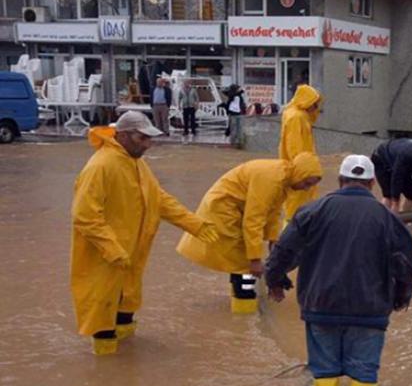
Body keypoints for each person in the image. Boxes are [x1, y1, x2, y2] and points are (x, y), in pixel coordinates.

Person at [265, 155, 412, 386]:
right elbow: (407, 266)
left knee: (324, 369)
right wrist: (401, 298)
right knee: (364, 371)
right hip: (370, 310)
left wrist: (275, 281)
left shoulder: (312, 211)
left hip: (321, 306)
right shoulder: (389, 218)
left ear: (339, 180)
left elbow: (283, 252)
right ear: (372, 183)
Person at [71, 112, 219, 356]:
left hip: (131, 255)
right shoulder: (100, 166)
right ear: (123, 135)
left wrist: (195, 225)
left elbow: (158, 199)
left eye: (149, 138)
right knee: (103, 317)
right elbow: (84, 216)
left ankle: (127, 366)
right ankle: (106, 368)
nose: (148, 144)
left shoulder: (137, 163)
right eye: (142, 138)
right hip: (105, 258)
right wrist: (112, 250)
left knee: (126, 308)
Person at [175, 153, 323, 314]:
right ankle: (244, 314)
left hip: (234, 208)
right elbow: (253, 220)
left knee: (241, 261)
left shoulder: (283, 178)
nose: (306, 188)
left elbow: (273, 211)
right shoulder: (271, 180)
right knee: (244, 265)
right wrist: (254, 259)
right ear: (300, 173)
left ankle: (240, 301)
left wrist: (273, 239)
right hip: (224, 209)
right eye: (306, 183)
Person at [278, 84, 322, 221]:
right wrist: (302, 170)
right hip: (301, 170)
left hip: (299, 167)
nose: (316, 108)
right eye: (314, 104)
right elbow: (295, 147)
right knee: (297, 205)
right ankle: (293, 230)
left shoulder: (294, 114)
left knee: (296, 204)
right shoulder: (297, 118)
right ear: (306, 102)